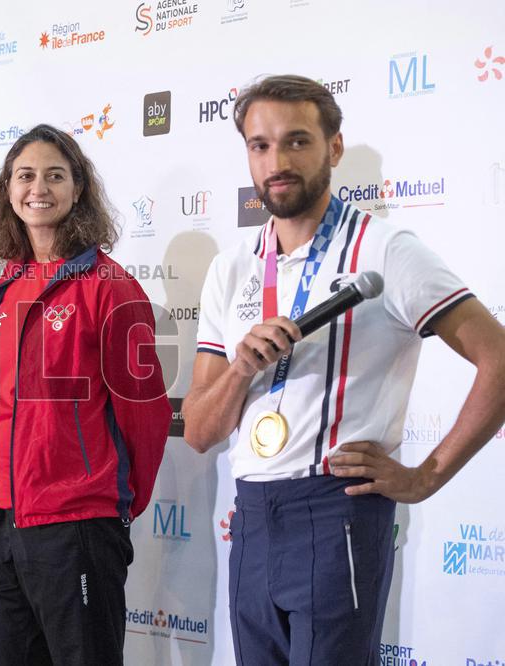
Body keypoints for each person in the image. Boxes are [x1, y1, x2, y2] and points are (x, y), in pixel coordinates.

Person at [184, 75, 505, 665]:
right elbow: (201, 432)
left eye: (296, 141)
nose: (276, 162)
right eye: (260, 145)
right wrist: (239, 372)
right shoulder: (232, 269)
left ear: (333, 148)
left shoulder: (387, 250)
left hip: (338, 511)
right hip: (252, 518)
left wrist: (426, 476)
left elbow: (500, 359)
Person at [0, 124, 172, 666]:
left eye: (55, 175)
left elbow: (143, 420)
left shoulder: (112, 287)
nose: (39, 188)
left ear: (78, 188)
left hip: (73, 523)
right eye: (25, 176)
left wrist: (107, 506)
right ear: (8, 191)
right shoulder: (3, 289)